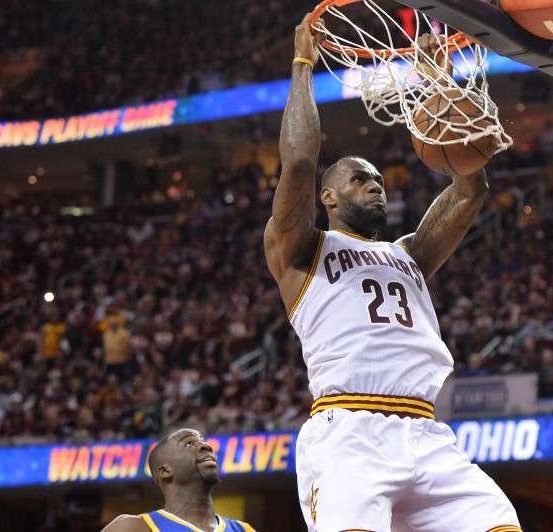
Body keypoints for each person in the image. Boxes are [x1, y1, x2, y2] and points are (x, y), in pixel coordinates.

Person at [263, 14, 521, 532]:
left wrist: (439, 83)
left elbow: (470, 191)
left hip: (425, 433)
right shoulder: (300, 249)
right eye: (360, 179)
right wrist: (302, 64)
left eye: (379, 179)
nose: (376, 185)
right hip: (349, 430)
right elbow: (298, 162)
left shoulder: (410, 255)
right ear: (328, 196)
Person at [101, 428, 256, 532]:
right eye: (189, 443)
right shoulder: (132, 527)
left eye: (203, 440)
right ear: (165, 471)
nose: (206, 446)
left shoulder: (244, 529)